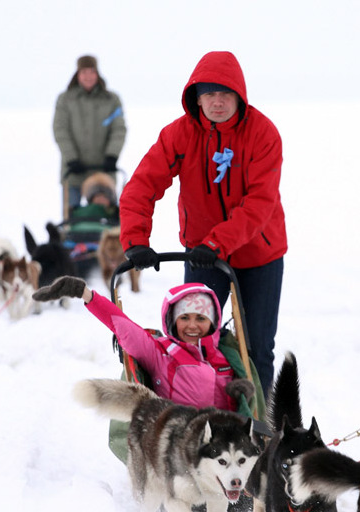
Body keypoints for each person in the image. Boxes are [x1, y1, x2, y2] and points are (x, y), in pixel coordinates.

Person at [118, 51, 286, 398]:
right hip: (201, 255)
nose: (217, 102)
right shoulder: (179, 135)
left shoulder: (263, 133)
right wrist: (135, 239)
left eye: (225, 94)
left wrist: (217, 243)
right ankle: (198, 417)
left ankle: (258, 427)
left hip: (259, 255)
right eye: (208, 94)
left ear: (239, 95)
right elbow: (142, 185)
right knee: (190, 341)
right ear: (196, 98)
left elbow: (260, 202)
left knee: (255, 348)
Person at [32, 275, 256, 414]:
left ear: (212, 322)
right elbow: (123, 326)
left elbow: (232, 412)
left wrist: (237, 396)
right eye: (184, 318)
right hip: (179, 439)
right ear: (172, 320)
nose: (192, 326)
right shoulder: (161, 352)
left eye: (201, 318)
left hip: (222, 446)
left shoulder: (224, 357)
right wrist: (85, 293)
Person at [53, 55, 126, 210]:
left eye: (92, 72)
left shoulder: (111, 100)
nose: (88, 76)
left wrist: (111, 156)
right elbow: (60, 130)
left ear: (97, 74)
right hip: (73, 172)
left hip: (103, 173)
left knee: (106, 216)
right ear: (78, 75)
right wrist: (72, 159)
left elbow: (118, 129)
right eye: (84, 72)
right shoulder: (66, 100)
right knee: (72, 219)